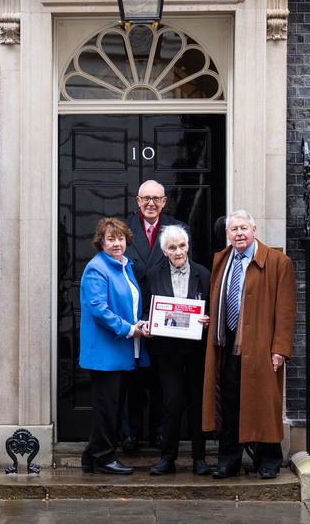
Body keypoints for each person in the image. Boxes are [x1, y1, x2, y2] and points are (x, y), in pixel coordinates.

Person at [202, 210, 296, 480]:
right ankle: (229, 460)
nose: (239, 233)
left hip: (262, 344)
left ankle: (269, 460)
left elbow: (286, 311)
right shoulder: (221, 260)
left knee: (264, 402)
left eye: (243, 228)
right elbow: (218, 298)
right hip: (227, 341)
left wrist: (280, 348)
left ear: (254, 230)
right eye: (234, 230)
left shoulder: (278, 262)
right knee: (229, 403)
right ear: (228, 235)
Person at [79, 217, 151, 475]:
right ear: (101, 242)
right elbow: (99, 309)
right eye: (111, 239)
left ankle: (91, 457)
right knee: (107, 407)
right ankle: (103, 457)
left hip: (122, 349)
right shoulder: (97, 268)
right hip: (105, 352)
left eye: (120, 238)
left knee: (112, 405)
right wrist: (129, 329)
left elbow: (128, 304)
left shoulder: (124, 266)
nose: (116, 243)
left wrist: (140, 323)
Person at [121, 180, 187, 450]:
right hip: (133, 317)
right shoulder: (124, 229)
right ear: (138, 201)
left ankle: (162, 433)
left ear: (164, 202)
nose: (150, 203)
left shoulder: (179, 229)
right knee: (132, 379)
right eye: (145, 198)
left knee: (163, 378)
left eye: (156, 199)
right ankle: (130, 434)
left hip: (166, 317)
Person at [145, 225, 212, 476]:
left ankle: (199, 458)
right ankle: (167, 458)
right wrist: (147, 323)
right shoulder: (153, 275)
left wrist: (208, 319)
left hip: (197, 349)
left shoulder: (204, 274)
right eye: (172, 247)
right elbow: (144, 310)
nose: (178, 251)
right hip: (167, 350)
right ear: (164, 251)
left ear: (188, 246)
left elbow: (213, 309)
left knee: (197, 402)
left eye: (182, 246)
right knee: (172, 403)